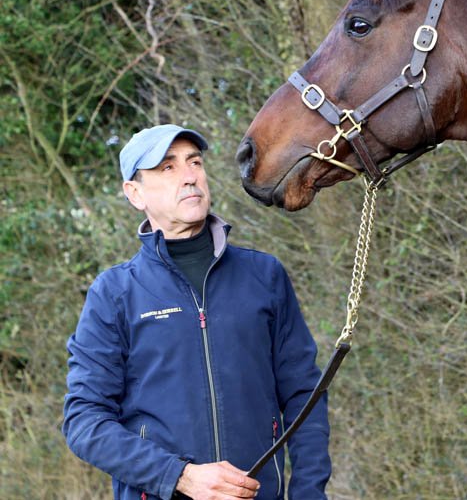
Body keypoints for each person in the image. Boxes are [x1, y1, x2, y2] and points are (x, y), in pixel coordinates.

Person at [63, 124, 331, 499]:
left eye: (194, 162)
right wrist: (179, 476)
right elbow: (84, 422)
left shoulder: (264, 276)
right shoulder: (114, 293)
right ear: (135, 193)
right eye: (168, 167)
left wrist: (309, 493)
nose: (189, 176)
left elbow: (305, 396)